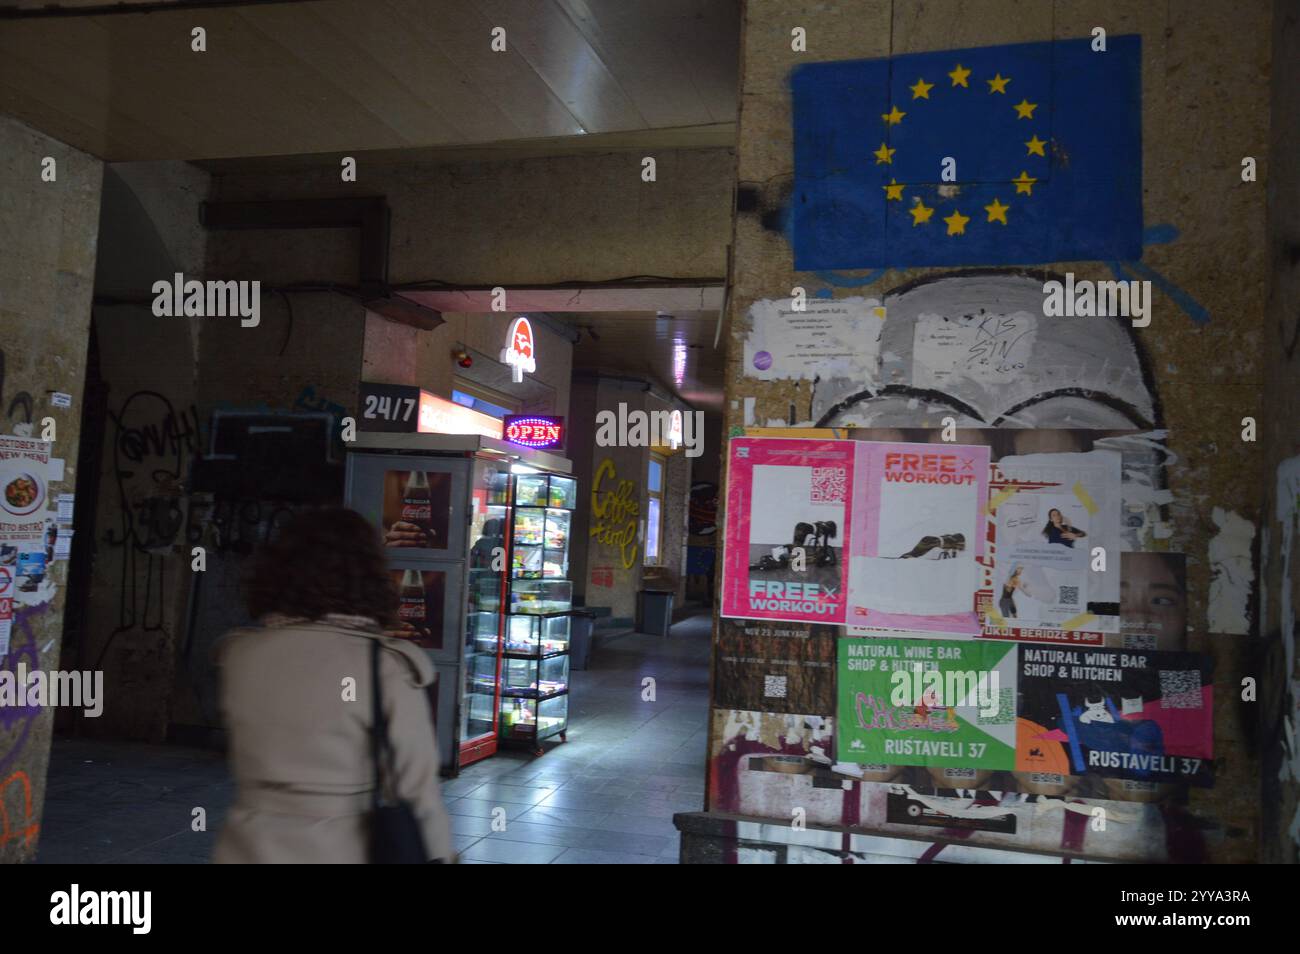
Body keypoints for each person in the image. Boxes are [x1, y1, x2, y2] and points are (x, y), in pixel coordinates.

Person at [214, 507, 453, 864]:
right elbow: (418, 791)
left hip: (247, 845)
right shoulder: (385, 665)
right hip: (338, 848)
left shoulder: (237, 654)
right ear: (368, 576)